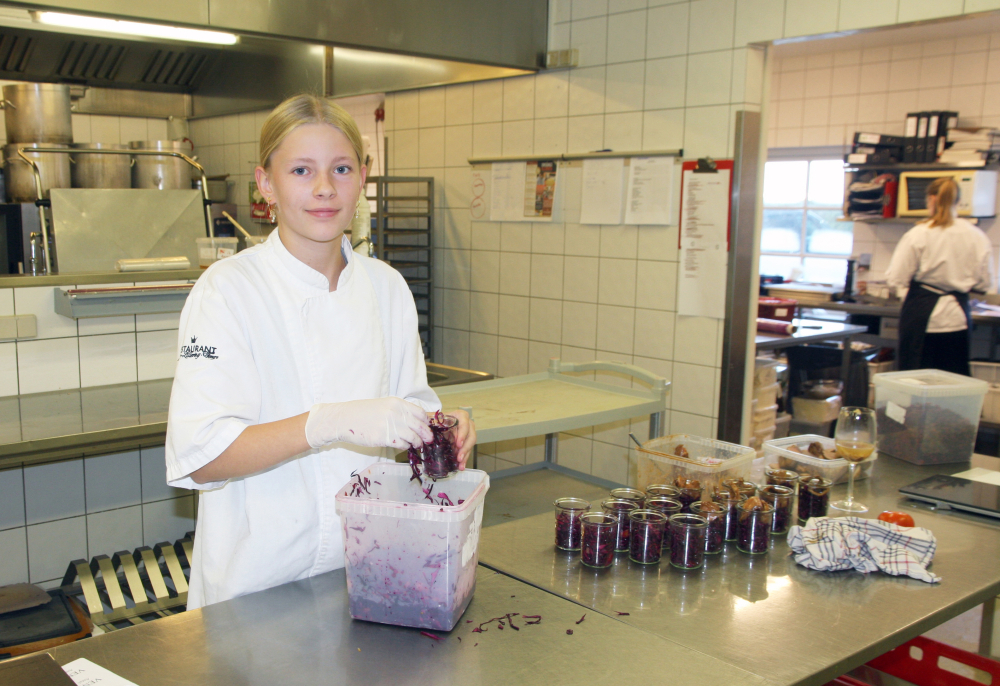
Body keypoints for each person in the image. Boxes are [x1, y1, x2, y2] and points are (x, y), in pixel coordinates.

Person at [164, 94, 476, 609]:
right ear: (266, 183)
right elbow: (203, 458)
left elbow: (410, 418)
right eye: (301, 170)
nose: (325, 187)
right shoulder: (228, 290)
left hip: (368, 572)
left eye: (341, 169)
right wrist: (327, 422)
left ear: (363, 178)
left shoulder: (386, 287)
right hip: (255, 588)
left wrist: (443, 429)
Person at [886, 177, 993, 376]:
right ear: (958, 201)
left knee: (914, 379)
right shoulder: (977, 236)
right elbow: (985, 283)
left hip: (922, 316)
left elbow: (896, 278)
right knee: (952, 380)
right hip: (957, 319)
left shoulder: (919, 233)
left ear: (931, 199)